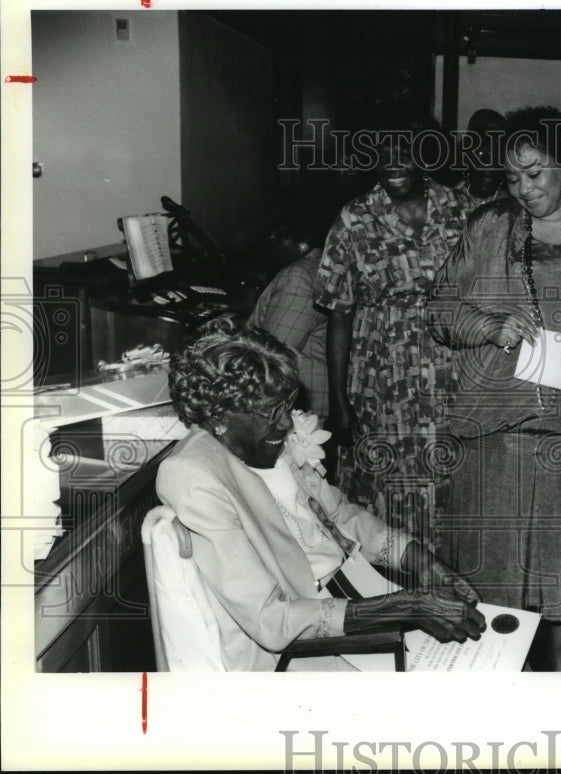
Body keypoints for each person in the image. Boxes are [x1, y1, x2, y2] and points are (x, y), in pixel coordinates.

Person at [155, 318, 484, 672]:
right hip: (303, 657)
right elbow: (271, 620)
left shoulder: (262, 443)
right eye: (273, 413)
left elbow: (341, 516)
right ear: (222, 416)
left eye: (288, 405)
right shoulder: (193, 476)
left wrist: (419, 560)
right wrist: (406, 607)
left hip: (352, 602)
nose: (287, 424)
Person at [429, 106, 561, 670]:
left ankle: (559, 679)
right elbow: (439, 308)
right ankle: (494, 678)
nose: (523, 190)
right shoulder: (488, 227)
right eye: (511, 177)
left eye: (535, 174)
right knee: (492, 566)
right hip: (495, 426)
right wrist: (489, 325)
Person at [314, 114, 475, 544]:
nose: (392, 163)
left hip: (452, 372)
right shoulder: (355, 219)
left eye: (403, 151)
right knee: (388, 482)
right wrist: (339, 403)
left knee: (449, 472)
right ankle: (393, 588)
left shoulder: (462, 210)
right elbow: (339, 315)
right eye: (381, 154)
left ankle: (448, 581)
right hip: (381, 377)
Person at [249, 218, 329, 420]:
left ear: (303, 241)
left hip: (300, 411)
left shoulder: (299, 276)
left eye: (278, 233)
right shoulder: (317, 267)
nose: (270, 239)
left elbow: (271, 355)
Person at [455, 108, 507, 207]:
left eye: (498, 159)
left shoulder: (513, 207)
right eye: (483, 157)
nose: (491, 167)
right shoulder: (446, 201)